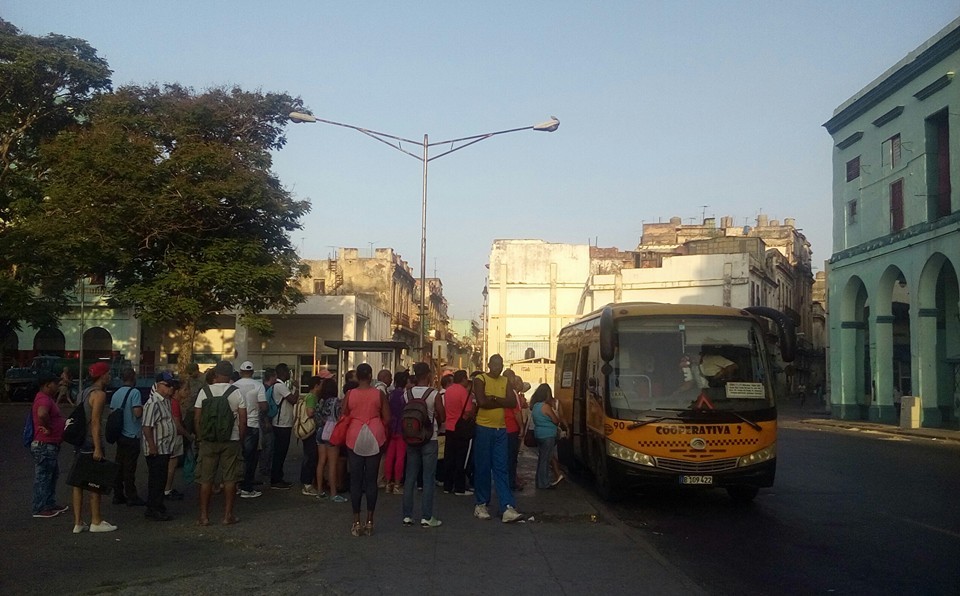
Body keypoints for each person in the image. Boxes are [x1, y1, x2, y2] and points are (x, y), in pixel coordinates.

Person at [472, 354, 524, 523]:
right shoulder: (480, 379)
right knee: (483, 467)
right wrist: (500, 401)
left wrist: (493, 398)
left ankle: (507, 506)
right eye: (495, 364)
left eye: (500, 364)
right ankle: (481, 503)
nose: (498, 367)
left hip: (501, 429)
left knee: (502, 467)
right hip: (483, 427)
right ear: (488, 364)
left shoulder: (505, 381)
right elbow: (481, 402)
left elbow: (511, 403)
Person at [194, 360, 246, 526]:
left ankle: (204, 516)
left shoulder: (205, 391)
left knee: (206, 479)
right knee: (230, 478)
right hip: (231, 440)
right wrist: (240, 437)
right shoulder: (236, 392)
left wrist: (201, 436)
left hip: (208, 440)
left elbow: (197, 418)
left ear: (215, 374)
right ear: (230, 376)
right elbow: (243, 420)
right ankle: (227, 515)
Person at [68, 362, 118, 533]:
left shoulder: (82, 393)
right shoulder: (99, 395)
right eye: (108, 373)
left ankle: (78, 522)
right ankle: (96, 521)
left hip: (79, 441)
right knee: (95, 481)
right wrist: (98, 447)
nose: (110, 376)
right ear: (102, 375)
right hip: (91, 442)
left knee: (78, 482)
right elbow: (95, 422)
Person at [342, 363, 389, 536]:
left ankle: (356, 522)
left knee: (355, 480)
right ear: (370, 376)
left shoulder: (350, 394)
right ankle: (370, 521)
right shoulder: (379, 394)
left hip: (354, 435)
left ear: (357, 377)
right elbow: (388, 417)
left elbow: (344, 413)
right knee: (371, 481)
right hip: (375, 434)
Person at [402, 362, 444, 528]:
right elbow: (443, 414)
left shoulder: (408, 394)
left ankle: (407, 515)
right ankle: (426, 516)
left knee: (410, 477)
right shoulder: (434, 394)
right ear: (427, 375)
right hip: (429, 438)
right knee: (428, 478)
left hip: (411, 439)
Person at [30, 372, 70, 519]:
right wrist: (47, 426)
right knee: (44, 476)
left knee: (51, 474)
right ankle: (40, 507)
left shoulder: (45, 398)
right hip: (45, 444)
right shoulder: (44, 399)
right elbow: (42, 414)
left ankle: (49, 503)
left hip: (49, 444)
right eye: (55, 383)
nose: (58, 385)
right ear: (47, 385)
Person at [141, 372, 178, 521]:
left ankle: (157, 506)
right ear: (159, 385)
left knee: (161, 479)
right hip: (157, 447)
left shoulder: (166, 401)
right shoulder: (153, 403)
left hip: (165, 447)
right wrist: (152, 446)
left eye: (172, 385)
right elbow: (147, 427)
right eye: (168, 385)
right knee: (156, 480)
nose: (171, 388)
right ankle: (154, 508)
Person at [111, 368, 145, 506]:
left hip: (120, 435)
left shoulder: (116, 393)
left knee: (119, 465)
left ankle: (118, 494)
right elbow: (137, 413)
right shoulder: (135, 392)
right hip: (132, 434)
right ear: (133, 377)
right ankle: (132, 495)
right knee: (130, 468)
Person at [233, 361, 266, 499]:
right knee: (251, 457)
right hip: (252, 425)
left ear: (240, 372)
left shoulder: (233, 386)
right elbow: (264, 406)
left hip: (236, 425)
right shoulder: (258, 386)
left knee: (237, 456)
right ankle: (247, 487)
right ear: (252, 372)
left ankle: (236, 485)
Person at [441, 369, 474, 496]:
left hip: (449, 427)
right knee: (461, 458)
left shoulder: (448, 391)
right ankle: (459, 487)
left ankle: (447, 485)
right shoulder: (463, 392)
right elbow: (468, 411)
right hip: (461, 429)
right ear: (463, 379)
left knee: (449, 457)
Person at [315, 376, 347, 503]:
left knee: (321, 462)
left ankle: (319, 491)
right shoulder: (337, 401)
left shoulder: (320, 401)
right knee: (333, 463)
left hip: (320, 431)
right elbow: (340, 417)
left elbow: (317, 418)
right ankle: (333, 493)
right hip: (332, 432)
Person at [530, 384, 564, 489]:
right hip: (548, 435)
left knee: (542, 459)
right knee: (546, 459)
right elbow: (556, 420)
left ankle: (539, 481)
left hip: (539, 434)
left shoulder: (535, 406)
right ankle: (544, 483)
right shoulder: (546, 406)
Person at [270, 363, 298, 490]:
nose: (289, 374)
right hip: (282, 423)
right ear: (282, 372)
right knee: (280, 452)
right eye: (288, 372)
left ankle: (278, 476)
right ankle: (276, 479)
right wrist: (296, 388)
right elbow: (293, 399)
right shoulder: (280, 386)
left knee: (280, 452)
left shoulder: (278, 386)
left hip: (281, 422)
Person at [164, 377, 192, 501]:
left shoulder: (170, 402)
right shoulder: (174, 403)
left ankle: (166, 488)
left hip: (171, 436)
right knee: (172, 464)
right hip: (175, 437)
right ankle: (167, 489)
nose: (187, 392)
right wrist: (188, 436)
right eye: (185, 389)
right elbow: (177, 424)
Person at [383, 370, 410, 495]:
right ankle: (397, 484)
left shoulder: (390, 394)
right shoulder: (404, 396)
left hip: (391, 427)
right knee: (400, 457)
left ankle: (388, 482)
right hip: (401, 428)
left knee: (390, 456)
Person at [299, 376, 320, 496]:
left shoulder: (307, 396)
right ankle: (307, 484)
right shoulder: (312, 397)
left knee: (308, 455)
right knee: (310, 456)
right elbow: (310, 412)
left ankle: (305, 481)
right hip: (310, 430)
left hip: (305, 430)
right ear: (316, 386)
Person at [258, 368, 278, 480]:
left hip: (265, 420)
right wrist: (266, 420)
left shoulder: (263, 387)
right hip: (266, 421)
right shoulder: (266, 389)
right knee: (268, 446)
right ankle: (264, 469)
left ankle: (264, 467)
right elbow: (263, 408)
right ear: (272, 377)